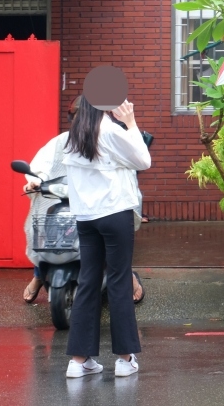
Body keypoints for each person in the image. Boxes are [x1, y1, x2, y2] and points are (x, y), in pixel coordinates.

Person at [23, 97, 146, 305]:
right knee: (45, 234)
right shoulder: (63, 140)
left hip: (101, 206)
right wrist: (35, 181)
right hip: (67, 199)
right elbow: (41, 163)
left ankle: (129, 276)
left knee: (113, 247)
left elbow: (135, 166)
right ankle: (38, 272)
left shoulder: (110, 135)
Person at [63, 96, 151, 378]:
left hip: (86, 218)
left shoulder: (73, 137)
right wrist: (131, 122)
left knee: (88, 281)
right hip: (115, 214)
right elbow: (143, 160)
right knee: (118, 280)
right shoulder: (111, 131)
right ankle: (125, 360)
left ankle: (78, 361)